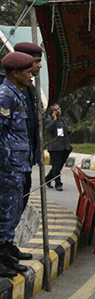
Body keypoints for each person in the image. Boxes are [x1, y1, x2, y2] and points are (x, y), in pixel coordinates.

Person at [0, 52, 35, 278]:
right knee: (4, 213)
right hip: (8, 166)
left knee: (11, 213)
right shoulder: (5, 95)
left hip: (18, 165)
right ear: (16, 73)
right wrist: (6, 163)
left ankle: (6, 253)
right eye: (28, 72)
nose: (31, 76)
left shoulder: (18, 94)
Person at [13, 42, 42, 211]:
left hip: (23, 162)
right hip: (10, 166)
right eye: (35, 61)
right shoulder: (5, 88)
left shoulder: (28, 87)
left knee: (17, 211)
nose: (39, 65)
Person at [43, 104, 73, 191]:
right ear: (52, 112)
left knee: (59, 166)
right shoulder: (49, 120)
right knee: (56, 166)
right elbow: (47, 129)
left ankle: (48, 178)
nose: (58, 111)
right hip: (55, 147)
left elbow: (67, 133)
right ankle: (58, 183)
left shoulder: (64, 120)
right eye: (55, 110)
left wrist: (69, 130)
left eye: (58, 109)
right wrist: (54, 120)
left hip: (65, 146)